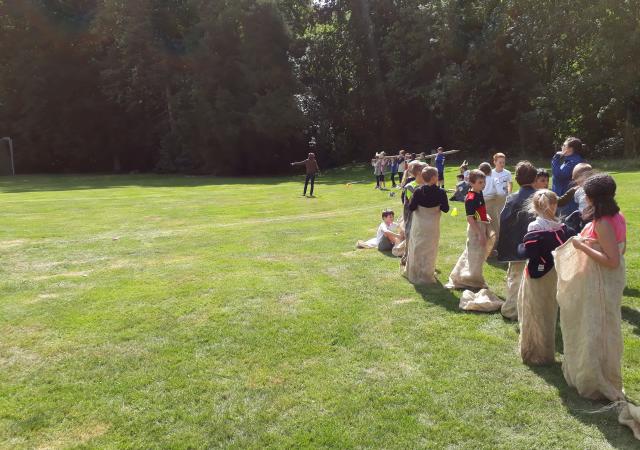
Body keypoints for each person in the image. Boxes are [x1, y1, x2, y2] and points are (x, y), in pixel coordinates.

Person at [555, 174, 634, 420]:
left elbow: (612, 260)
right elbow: (620, 248)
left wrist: (582, 246)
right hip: (602, 281)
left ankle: (595, 380)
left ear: (594, 198)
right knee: (600, 326)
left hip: (600, 281)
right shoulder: (616, 217)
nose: (583, 197)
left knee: (595, 328)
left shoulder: (604, 222)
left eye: (586, 193)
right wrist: (592, 241)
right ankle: (595, 373)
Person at [517, 190, 570, 365]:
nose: (553, 208)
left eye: (554, 204)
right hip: (540, 274)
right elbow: (532, 251)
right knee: (538, 312)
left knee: (546, 312)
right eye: (551, 205)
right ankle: (535, 352)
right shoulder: (538, 226)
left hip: (551, 273)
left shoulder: (557, 225)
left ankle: (544, 352)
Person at [496, 161, 538, 321]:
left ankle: (512, 309)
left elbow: (504, 221)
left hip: (516, 246)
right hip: (535, 246)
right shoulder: (539, 197)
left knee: (515, 278)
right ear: (534, 179)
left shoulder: (512, 199)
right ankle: (525, 310)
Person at [446, 169, 495, 289]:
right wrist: (480, 234)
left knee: (474, 254)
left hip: (481, 225)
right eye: (480, 182)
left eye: (484, 182)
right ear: (471, 183)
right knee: (475, 255)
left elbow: (480, 210)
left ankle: (463, 276)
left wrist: (485, 215)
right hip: (475, 229)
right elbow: (470, 219)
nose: (483, 185)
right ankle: (473, 280)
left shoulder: (479, 193)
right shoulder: (471, 198)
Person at [405, 166, 450, 284]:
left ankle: (416, 272)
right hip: (432, 226)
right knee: (431, 249)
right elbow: (445, 209)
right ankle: (427, 273)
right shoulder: (441, 192)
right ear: (434, 178)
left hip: (419, 226)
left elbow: (412, 207)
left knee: (417, 247)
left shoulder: (418, 191)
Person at [551, 137, 585, 215]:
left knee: (566, 224)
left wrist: (555, 158)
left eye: (564, 145)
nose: (561, 147)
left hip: (567, 203)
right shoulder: (570, 160)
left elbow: (559, 175)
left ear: (570, 149)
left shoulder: (573, 161)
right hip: (565, 200)